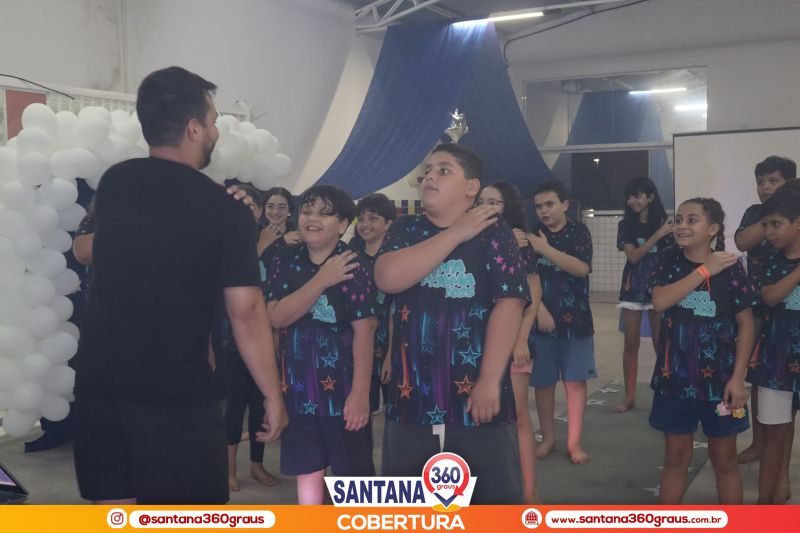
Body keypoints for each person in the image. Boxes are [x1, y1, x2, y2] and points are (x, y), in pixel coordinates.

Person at [72, 66, 287, 505]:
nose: (215, 131)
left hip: (99, 385)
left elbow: (125, 244)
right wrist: (272, 393)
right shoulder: (224, 211)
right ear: (193, 129)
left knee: (114, 510)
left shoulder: (115, 183)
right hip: (173, 393)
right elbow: (246, 313)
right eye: (213, 121)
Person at [375, 144, 528, 504]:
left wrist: (489, 381)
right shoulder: (405, 229)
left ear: (472, 187)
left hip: (477, 399)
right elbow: (387, 277)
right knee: (409, 508)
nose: (430, 176)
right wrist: (456, 233)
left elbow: (509, 305)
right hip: (410, 398)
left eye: (444, 170)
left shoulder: (495, 232)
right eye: (427, 171)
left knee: (491, 507)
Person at [264, 185, 377, 504]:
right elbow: (276, 316)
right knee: (308, 471)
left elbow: (365, 331)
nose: (312, 218)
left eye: (324, 214)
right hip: (298, 390)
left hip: (344, 393)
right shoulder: (286, 258)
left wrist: (360, 394)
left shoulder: (353, 263)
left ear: (342, 225)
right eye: (307, 211)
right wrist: (322, 280)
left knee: (353, 480)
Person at [649, 197, 757, 504]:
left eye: (692, 220)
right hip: (674, 379)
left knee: (725, 459)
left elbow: (746, 325)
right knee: (675, 457)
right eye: (679, 219)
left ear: (713, 229)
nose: (682, 226)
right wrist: (705, 271)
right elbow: (660, 301)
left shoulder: (731, 267)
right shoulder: (668, 260)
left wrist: (738, 378)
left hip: (720, 383)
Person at [479, 181, 542, 504]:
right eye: (483, 201)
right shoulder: (467, 239)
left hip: (513, 343)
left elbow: (533, 293)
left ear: (509, 208)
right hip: (476, 345)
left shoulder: (519, 242)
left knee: (517, 416)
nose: (487, 207)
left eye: (495, 202)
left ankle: (529, 494)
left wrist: (520, 339)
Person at [527, 179, 596, 465]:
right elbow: (525, 276)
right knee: (543, 383)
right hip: (540, 321)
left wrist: (545, 249)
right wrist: (538, 310)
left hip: (576, 321)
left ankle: (573, 442)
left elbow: (581, 268)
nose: (544, 211)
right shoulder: (532, 234)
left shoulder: (578, 232)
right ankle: (548, 439)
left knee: (574, 381)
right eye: (539, 206)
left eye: (550, 204)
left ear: (565, 205)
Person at [735, 155, 797, 464]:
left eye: (773, 181)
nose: (765, 187)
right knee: (760, 379)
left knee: (785, 387)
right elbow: (742, 242)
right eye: (761, 182)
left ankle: (779, 455)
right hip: (757, 303)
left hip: (790, 308)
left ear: (790, 183)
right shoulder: (755, 213)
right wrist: (772, 217)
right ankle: (760, 443)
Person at [749, 181, 800, 504]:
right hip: (775, 360)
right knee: (773, 434)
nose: (768, 232)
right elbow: (768, 296)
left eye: (776, 224)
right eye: (765, 225)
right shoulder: (768, 259)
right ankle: (764, 507)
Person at [615, 177, 674, 413]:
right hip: (633, 287)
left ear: (650, 197)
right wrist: (657, 235)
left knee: (662, 342)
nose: (632, 201)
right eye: (629, 196)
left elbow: (672, 255)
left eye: (637, 195)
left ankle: (665, 393)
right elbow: (633, 257)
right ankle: (629, 396)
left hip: (659, 287)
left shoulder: (665, 223)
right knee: (631, 342)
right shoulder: (626, 225)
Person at [353, 193, 396, 415]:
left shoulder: (397, 259)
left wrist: (391, 354)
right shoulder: (350, 257)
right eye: (361, 219)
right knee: (363, 408)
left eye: (373, 218)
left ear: (388, 223)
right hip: (359, 343)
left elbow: (397, 310)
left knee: (393, 409)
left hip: (390, 340)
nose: (365, 224)